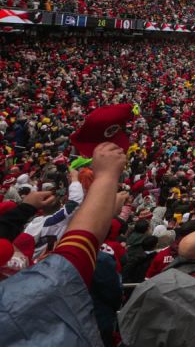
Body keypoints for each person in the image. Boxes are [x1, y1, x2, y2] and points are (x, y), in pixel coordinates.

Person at [0, 141, 128, 347]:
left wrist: (25, 208)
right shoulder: (42, 288)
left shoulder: (33, 228)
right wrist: (106, 176)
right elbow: (80, 237)